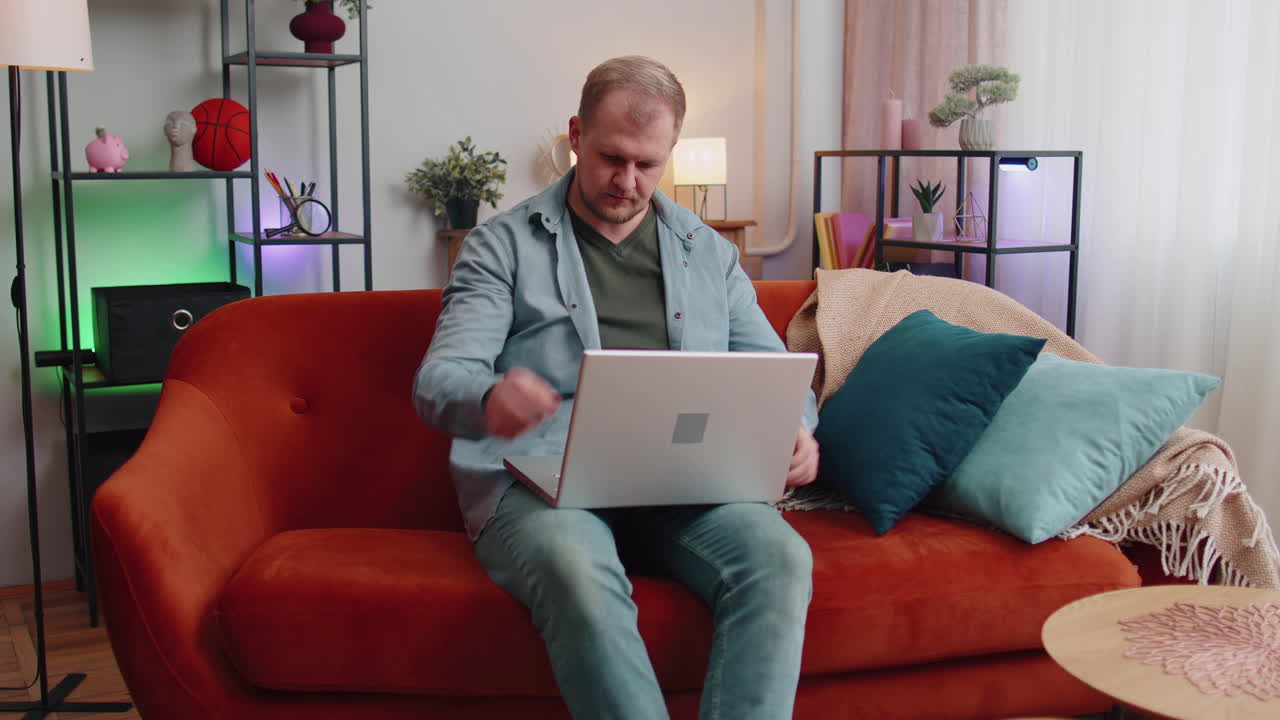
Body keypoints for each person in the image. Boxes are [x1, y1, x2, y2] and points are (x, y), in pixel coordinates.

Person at [414, 55, 819, 720]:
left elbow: (777, 374)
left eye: (647, 165)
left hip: (684, 484)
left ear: (670, 154)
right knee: (574, 568)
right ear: (576, 134)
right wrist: (490, 397)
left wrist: (797, 429)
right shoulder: (500, 247)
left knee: (781, 557)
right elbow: (439, 381)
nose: (627, 182)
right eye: (611, 157)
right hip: (542, 489)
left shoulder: (709, 252)